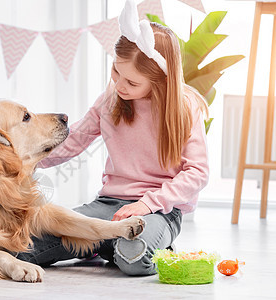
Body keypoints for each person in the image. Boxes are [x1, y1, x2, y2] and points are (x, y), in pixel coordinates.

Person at [17, 0, 209, 276]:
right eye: (116, 71)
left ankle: (115, 245)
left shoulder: (186, 107)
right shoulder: (110, 100)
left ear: (161, 81)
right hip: (108, 206)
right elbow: (73, 141)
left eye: (131, 82)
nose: (119, 85)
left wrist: (147, 204)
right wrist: (24, 159)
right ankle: (105, 242)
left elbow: (198, 172)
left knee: (135, 259)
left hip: (158, 211)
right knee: (25, 247)